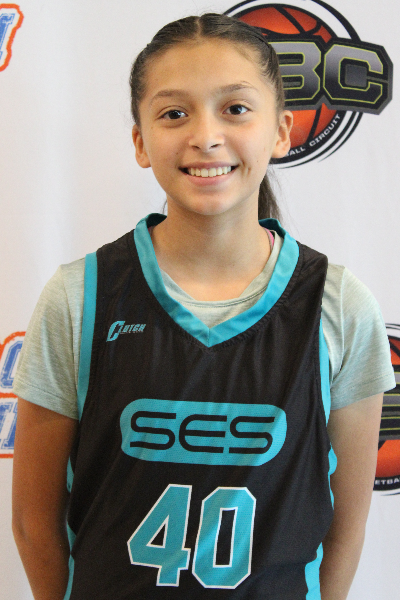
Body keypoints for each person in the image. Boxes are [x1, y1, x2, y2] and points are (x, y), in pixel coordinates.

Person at [12, 13, 394, 600]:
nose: (205, 136)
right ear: (140, 141)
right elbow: (33, 521)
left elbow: (344, 525)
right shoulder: (79, 296)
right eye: (174, 113)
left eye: (235, 108)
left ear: (281, 132)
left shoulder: (339, 305)